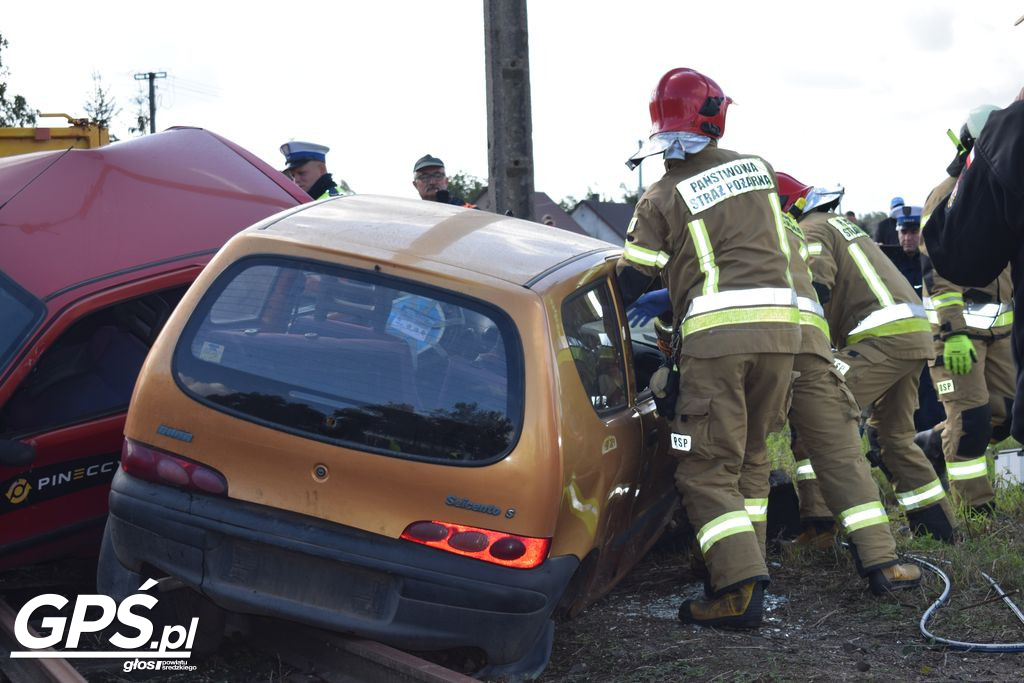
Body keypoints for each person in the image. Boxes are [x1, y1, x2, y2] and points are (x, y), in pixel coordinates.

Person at [618, 67, 801, 629]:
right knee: (748, 457)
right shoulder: (760, 170)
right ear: (717, 116)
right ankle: (740, 565)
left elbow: (633, 277)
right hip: (782, 335)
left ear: (660, 133)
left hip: (718, 342)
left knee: (701, 467)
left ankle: (737, 589)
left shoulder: (661, 194)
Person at [791, 177, 956, 543]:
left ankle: (820, 525)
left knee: (818, 410)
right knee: (892, 438)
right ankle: (940, 531)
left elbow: (816, 289)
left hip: (880, 338)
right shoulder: (841, 225)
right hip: (909, 336)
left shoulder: (809, 229)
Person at [918, 104, 1014, 513]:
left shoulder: (998, 196)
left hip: (1000, 335)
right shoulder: (945, 196)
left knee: (1006, 418)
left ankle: (928, 445)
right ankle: (976, 509)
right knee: (971, 424)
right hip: (955, 337)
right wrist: (953, 331)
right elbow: (936, 272)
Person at [280, 141, 354, 200]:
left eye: (301, 173)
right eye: (293, 176)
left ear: (321, 169)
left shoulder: (336, 201)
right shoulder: (309, 200)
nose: (296, 180)